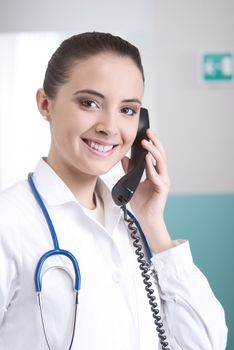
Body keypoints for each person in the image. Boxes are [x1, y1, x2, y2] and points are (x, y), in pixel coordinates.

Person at [0, 32, 227, 350]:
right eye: (89, 103)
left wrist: (153, 225)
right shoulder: (9, 222)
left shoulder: (132, 226)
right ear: (45, 104)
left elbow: (204, 344)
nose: (109, 126)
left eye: (128, 110)